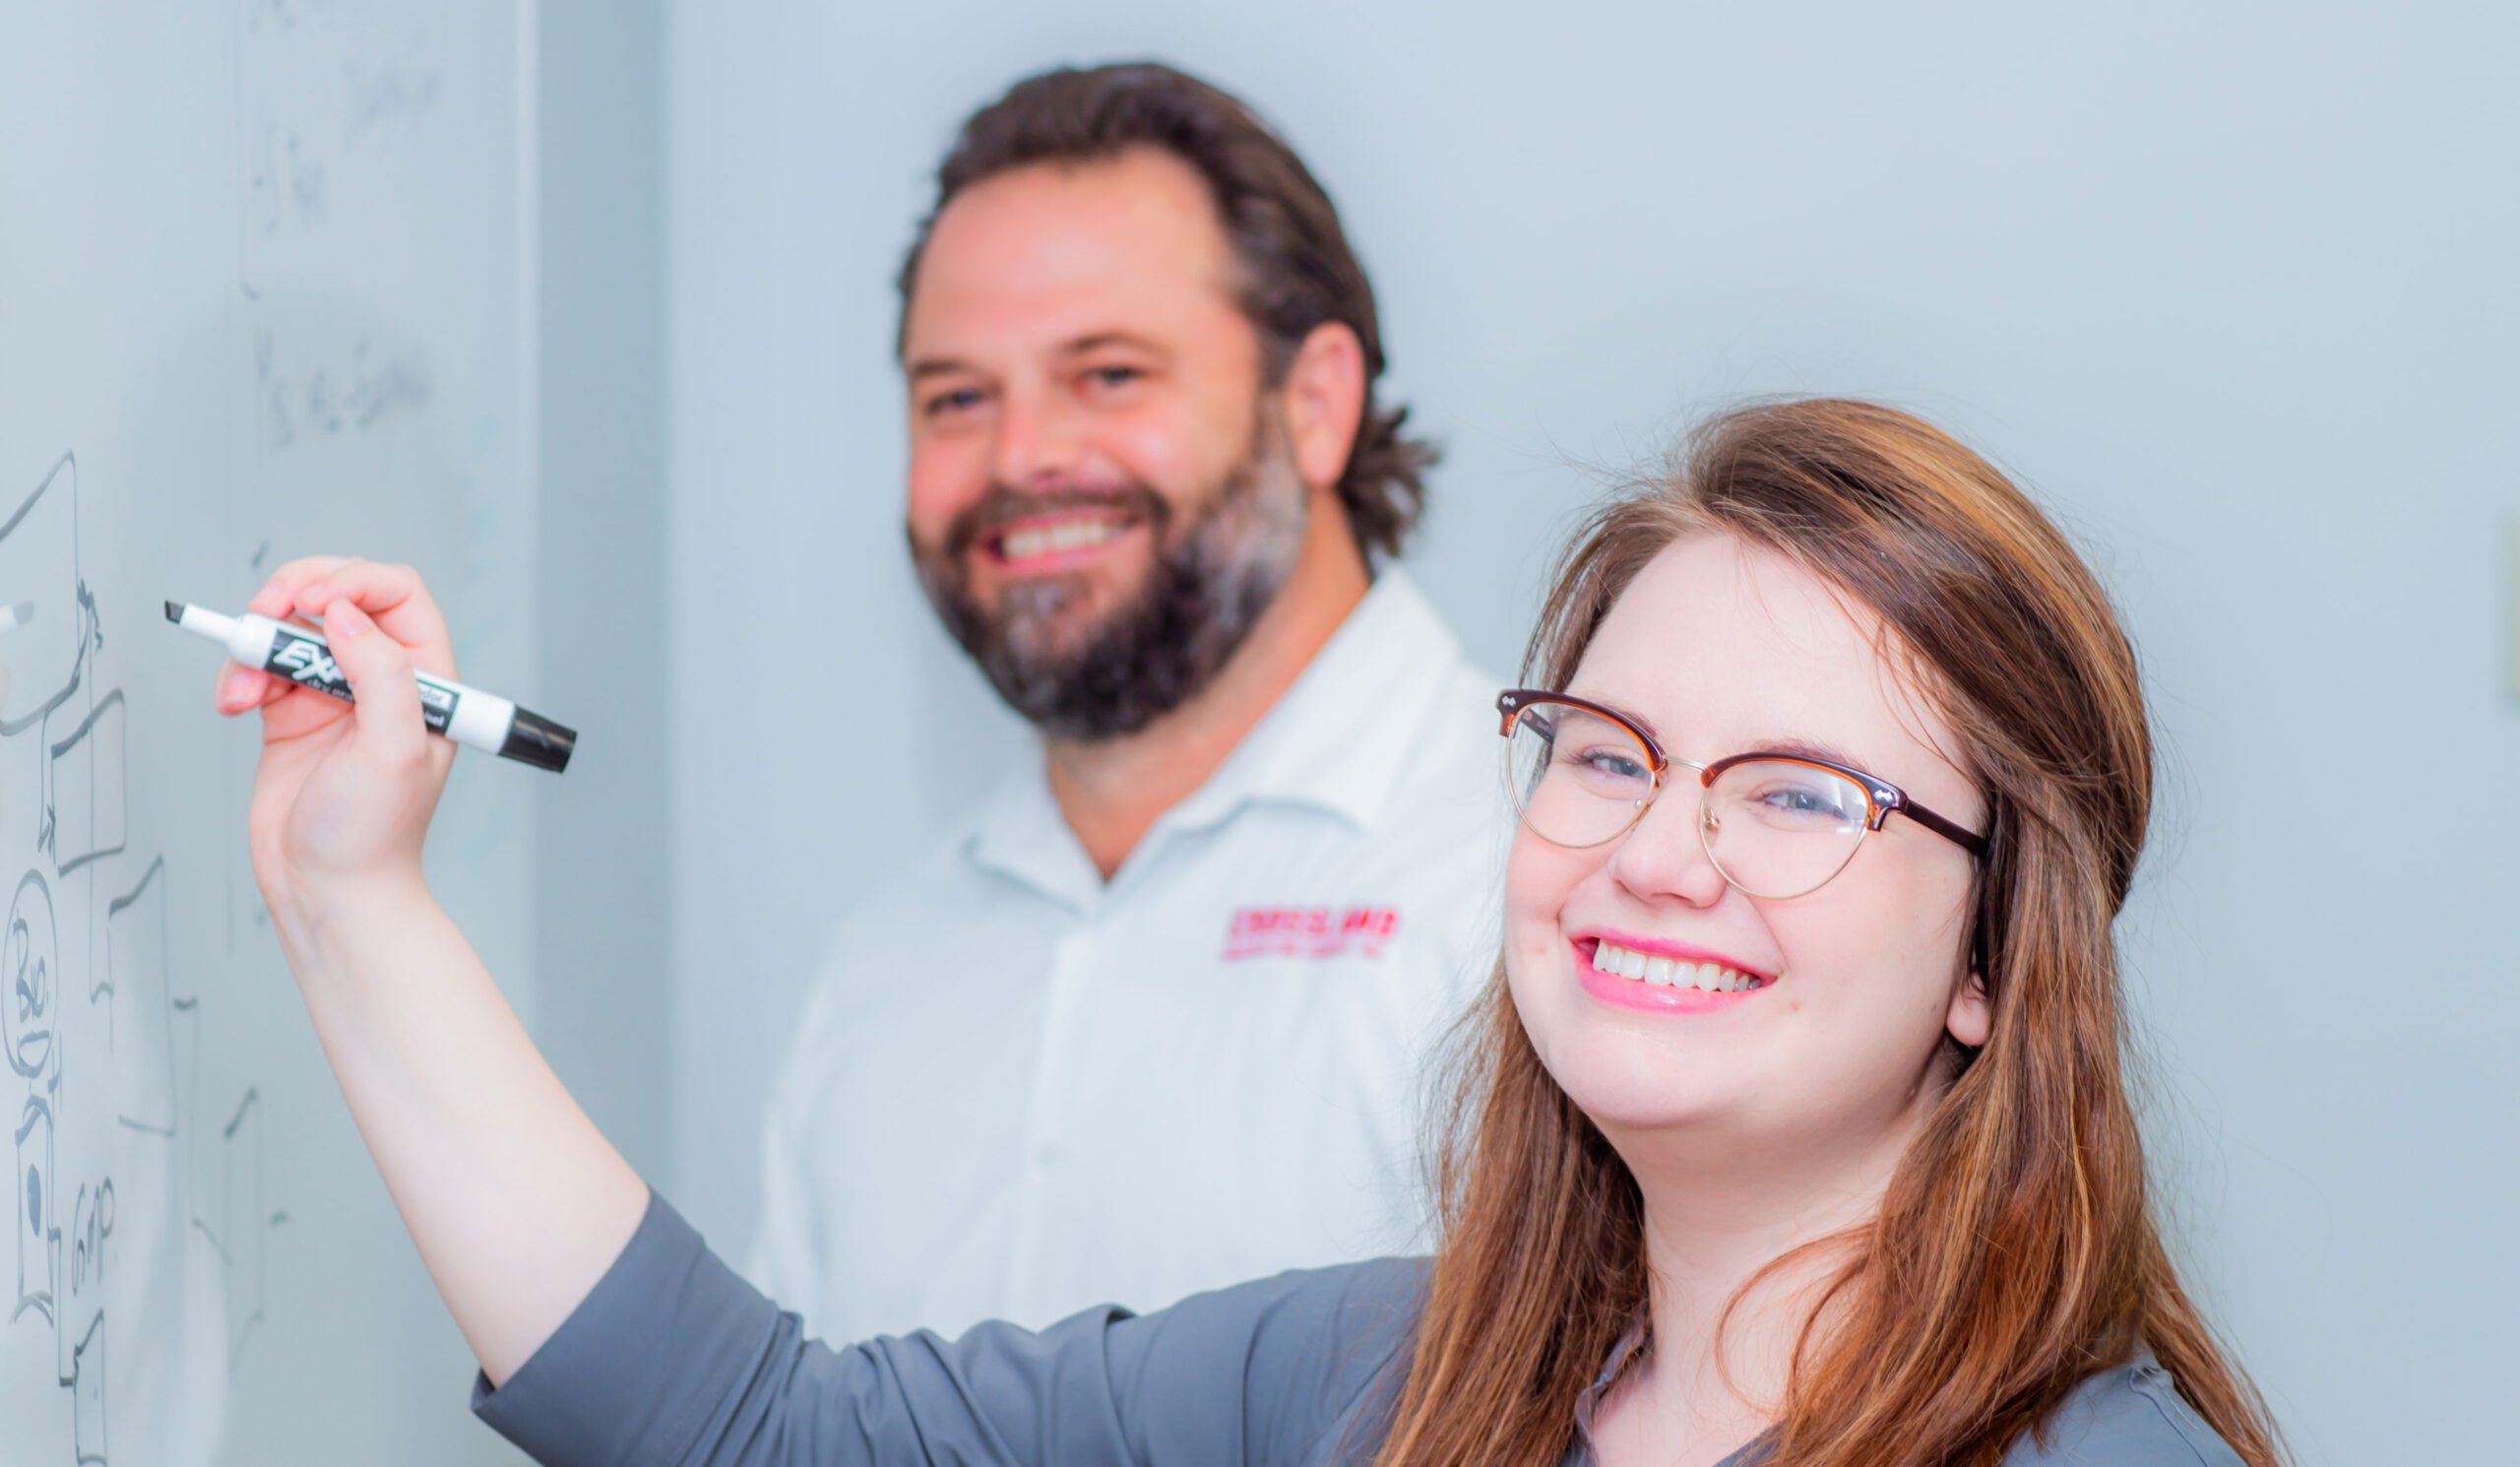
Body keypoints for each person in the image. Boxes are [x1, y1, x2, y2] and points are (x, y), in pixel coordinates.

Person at [213, 399, 2284, 1465]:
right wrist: (350, 887)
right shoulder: (1378, 1379)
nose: (1659, 851)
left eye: (1797, 795)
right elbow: (754, 1433)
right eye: (1604, 754)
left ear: (1993, 961)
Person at [748, 61, 1502, 1343]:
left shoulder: (1543, 875)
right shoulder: (888, 968)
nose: (1023, 456)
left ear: (1315, 403)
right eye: (956, 398)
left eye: (1107, 373)